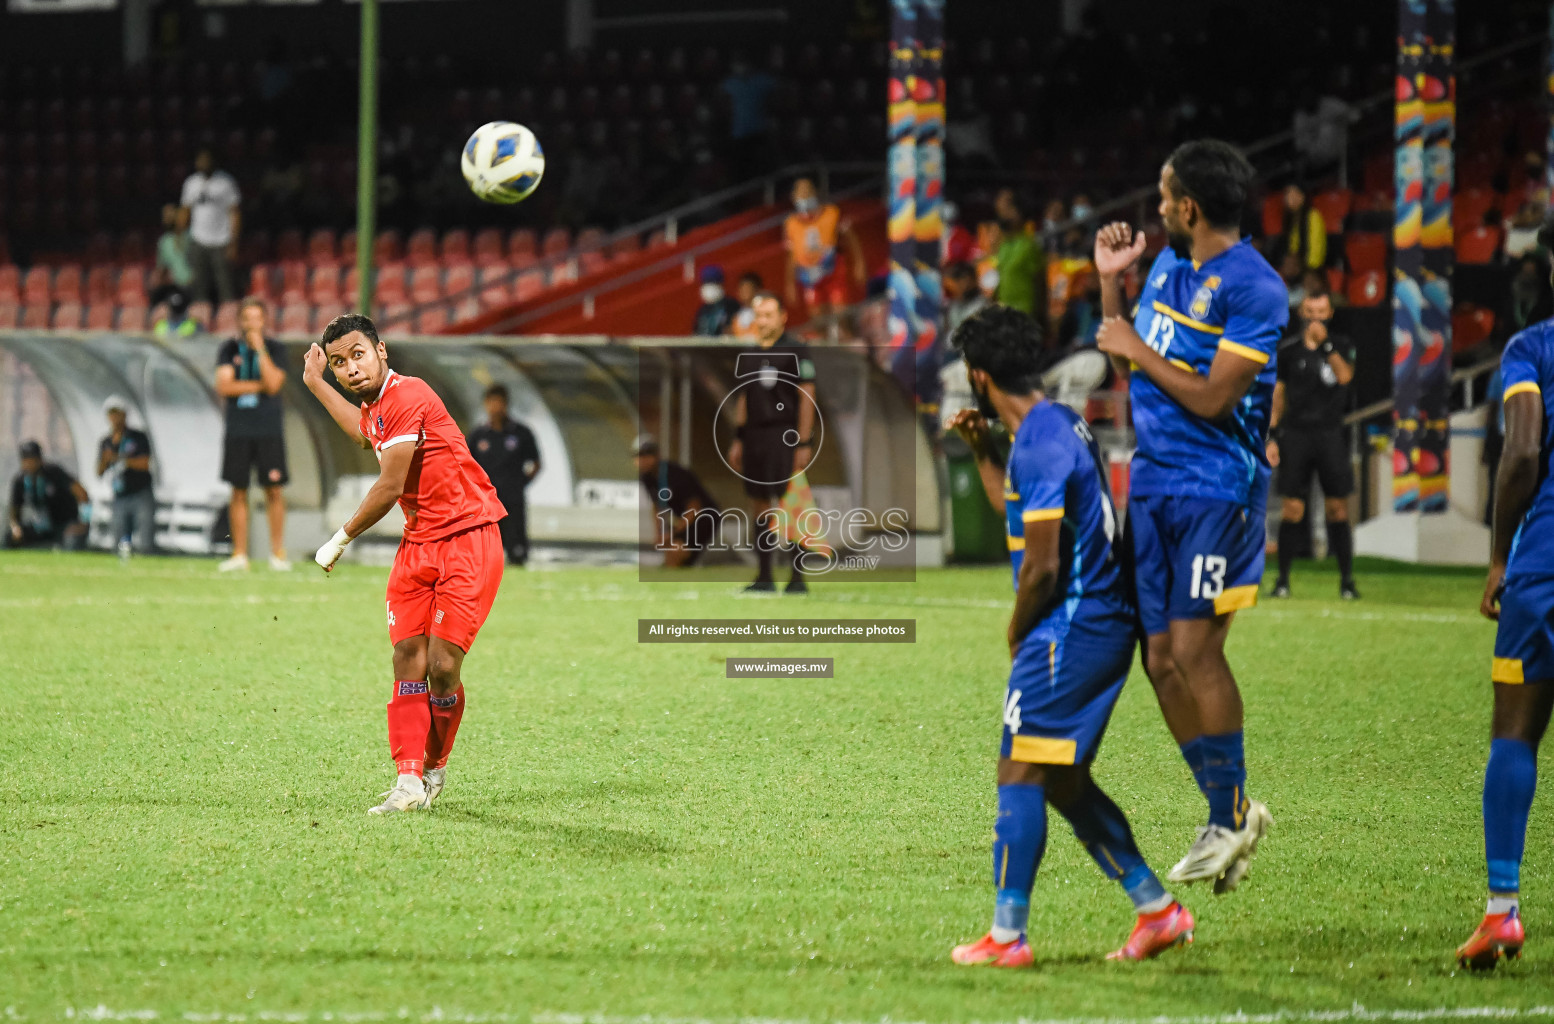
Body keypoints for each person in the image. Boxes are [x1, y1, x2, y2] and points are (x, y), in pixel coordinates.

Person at [945, 305, 1194, 967]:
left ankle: (1006, 937)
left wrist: (1016, 628)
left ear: (978, 376)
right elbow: (1019, 512)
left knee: (1020, 768)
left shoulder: (1044, 439)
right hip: (1088, 624)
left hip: (1073, 625)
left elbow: (1044, 564)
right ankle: (1157, 910)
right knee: (1062, 781)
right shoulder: (1045, 429)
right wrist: (982, 451)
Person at [1093, 139, 1284, 891]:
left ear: (1191, 208)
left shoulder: (1256, 287)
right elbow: (1127, 362)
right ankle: (1227, 812)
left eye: (1166, 196)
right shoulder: (1170, 267)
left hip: (1217, 490)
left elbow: (1211, 397)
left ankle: (1230, 813)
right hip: (1153, 484)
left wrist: (1134, 340)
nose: (1159, 207)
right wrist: (1114, 290)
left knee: (1199, 652)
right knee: (1160, 659)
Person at [302, 313, 507, 815]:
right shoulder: (378, 407)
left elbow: (390, 486)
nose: (349, 368)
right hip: (419, 545)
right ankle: (409, 780)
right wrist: (313, 383)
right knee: (406, 659)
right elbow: (361, 431)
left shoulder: (408, 395)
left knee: (442, 667)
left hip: (468, 536)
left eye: (357, 354)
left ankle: (435, 765)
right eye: (337, 363)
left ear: (381, 351)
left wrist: (340, 538)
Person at [1462, 218, 1554, 968]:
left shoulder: (1532, 348)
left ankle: (1501, 911)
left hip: (1544, 570)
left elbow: (1522, 453)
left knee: (1515, 732)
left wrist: (1497, 558)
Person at [1267, 285, 1358, 599]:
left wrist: (1327, 346)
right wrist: (1272, 436)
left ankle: (1346, 581)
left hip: (1331, 434)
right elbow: (1278, 396)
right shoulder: (1288, 351)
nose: (1316, 318)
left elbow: (1345, 377)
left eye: (1321, 313)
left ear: (1329, 314)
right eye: (1310, 313)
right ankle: (1282, 581)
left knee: (1337, 508)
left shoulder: (1342, 345)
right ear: (1301, 314)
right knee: (1292, 508)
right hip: (1296, 435)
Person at [725, 292, 816, 593]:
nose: (762, 321)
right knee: (759, 505)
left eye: (768, 314)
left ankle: (797, 578)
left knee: (791, 505)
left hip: (785, 434)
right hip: (754, 436)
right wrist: (738, 438)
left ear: (782, 317)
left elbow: (806, 397)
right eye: (758, 315)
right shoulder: (749, 353)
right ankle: (764, 576)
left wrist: (804, 442)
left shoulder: (797, 350)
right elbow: (743, 398)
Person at [215, 298, 290, 572]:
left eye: (257, 317)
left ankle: (277, 554)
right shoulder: (228, 348)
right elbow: (224, 386)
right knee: (237, 490)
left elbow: (273, 384)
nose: (251, 323)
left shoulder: (275, 349)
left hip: (268, 429)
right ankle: (239, 554)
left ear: (265, 320)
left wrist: (259, 351)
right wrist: (257, 385)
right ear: (240, 321)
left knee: (274, 490)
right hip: (238, 430)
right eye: (246, 318)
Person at [466, 383, 541, 567]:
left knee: (516, 551)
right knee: (486, 554)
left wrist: (521, 483)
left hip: (513, 498)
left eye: (498, 402)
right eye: (491, 402)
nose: (495, 407)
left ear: (506, 404)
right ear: (485, 404)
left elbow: (536, 462)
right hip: (486, 500)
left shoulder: (521, 433)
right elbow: (466, 465)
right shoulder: (478, 435)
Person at [783, 177, 866, 322]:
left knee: (841, 316)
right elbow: (792, 254)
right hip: (809, 276)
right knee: (817, 320)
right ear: (793, 197)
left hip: (834, 271)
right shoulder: (790, 223)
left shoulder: (832, 212)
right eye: (800, 192)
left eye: (808, 191)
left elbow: (851, 237)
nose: (804, 195)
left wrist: (859, 263)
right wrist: (790, 283)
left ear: (815, 192)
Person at [635, 434, 719, 567]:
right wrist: (659, 534)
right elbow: (656, 507)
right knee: (672, 554)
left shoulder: (675, 475)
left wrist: (672, 533)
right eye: (638, 456)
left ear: (657, 455)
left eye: (646, 455)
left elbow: (694, 509)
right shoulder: (646, 478)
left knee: (677, 551)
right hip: (684, 519)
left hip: (703, 517)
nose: (641, 460)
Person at [179, 147, 241, 307]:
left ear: (213, 161)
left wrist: (233, 242)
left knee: (225, 284)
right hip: (198, 239)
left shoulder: (226, 182)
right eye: (200, 160)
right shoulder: (191, 183)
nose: (202, 163)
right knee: (198, 284)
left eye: (206, 160)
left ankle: (227, 317)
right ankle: (201, 317)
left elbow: (234, 212)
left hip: (222, 240)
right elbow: (185, 211)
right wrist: (179, 235)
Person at [97, 396, 155, 558]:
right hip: (119, 494)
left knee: (145, 541)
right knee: (117, 539)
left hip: (140, 493)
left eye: (118, 413)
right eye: (111, 414)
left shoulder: (137, 437)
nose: (115, 418)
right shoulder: (106, 442)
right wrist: (106, 459)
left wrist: (120, 458)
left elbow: (144, 463)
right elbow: (99, 471)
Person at [7, 440, 88, 550]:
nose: (29, 464)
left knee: (73, 539)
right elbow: (14, 511)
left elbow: (82, 494)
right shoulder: (20, 481)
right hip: (40, 526)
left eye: (33, 459)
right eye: (26, 460)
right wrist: (15, 528)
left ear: (40, 459)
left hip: (63, 525)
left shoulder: (54, 473)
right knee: (9, 537)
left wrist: (83, 522)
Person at [991, 188, 1042, 317]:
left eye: (1009, 209)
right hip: (1003, 312)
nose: (1004, 214)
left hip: (1024, 312)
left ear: (1019, 214)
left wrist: (1041, 315)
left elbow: (1040, 282)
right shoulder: (1004, 246)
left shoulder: (1029, 245)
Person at [1273, 183, 1327, 274]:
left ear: (1302, 197)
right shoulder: (1292, 219)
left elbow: (1316, 247)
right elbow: (1292, 247)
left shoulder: (1312, 216)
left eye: (1294, 194)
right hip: (1296, 267)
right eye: (1287, 194)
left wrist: (1308, 270)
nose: (1289, 198)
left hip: (1310, 270)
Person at [150, 202, 193, 309]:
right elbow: (162, 268)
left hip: (193, 285)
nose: (166, 217)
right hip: (175, 287)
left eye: (170, 214)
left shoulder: (191, 237)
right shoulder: (164, 241)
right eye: (164, 215)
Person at [692, 266, 743, 336]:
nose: (708, 288)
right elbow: (695, 332)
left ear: (721, 285)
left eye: (712, 284)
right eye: (706, 284)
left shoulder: (731, 306)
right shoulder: (703, 310)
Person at [731, 270, 763, 339]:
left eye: (747, 289)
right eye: (742, 289)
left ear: (757, 290)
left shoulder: (765, 314)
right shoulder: (737, 317)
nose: (744, 293)